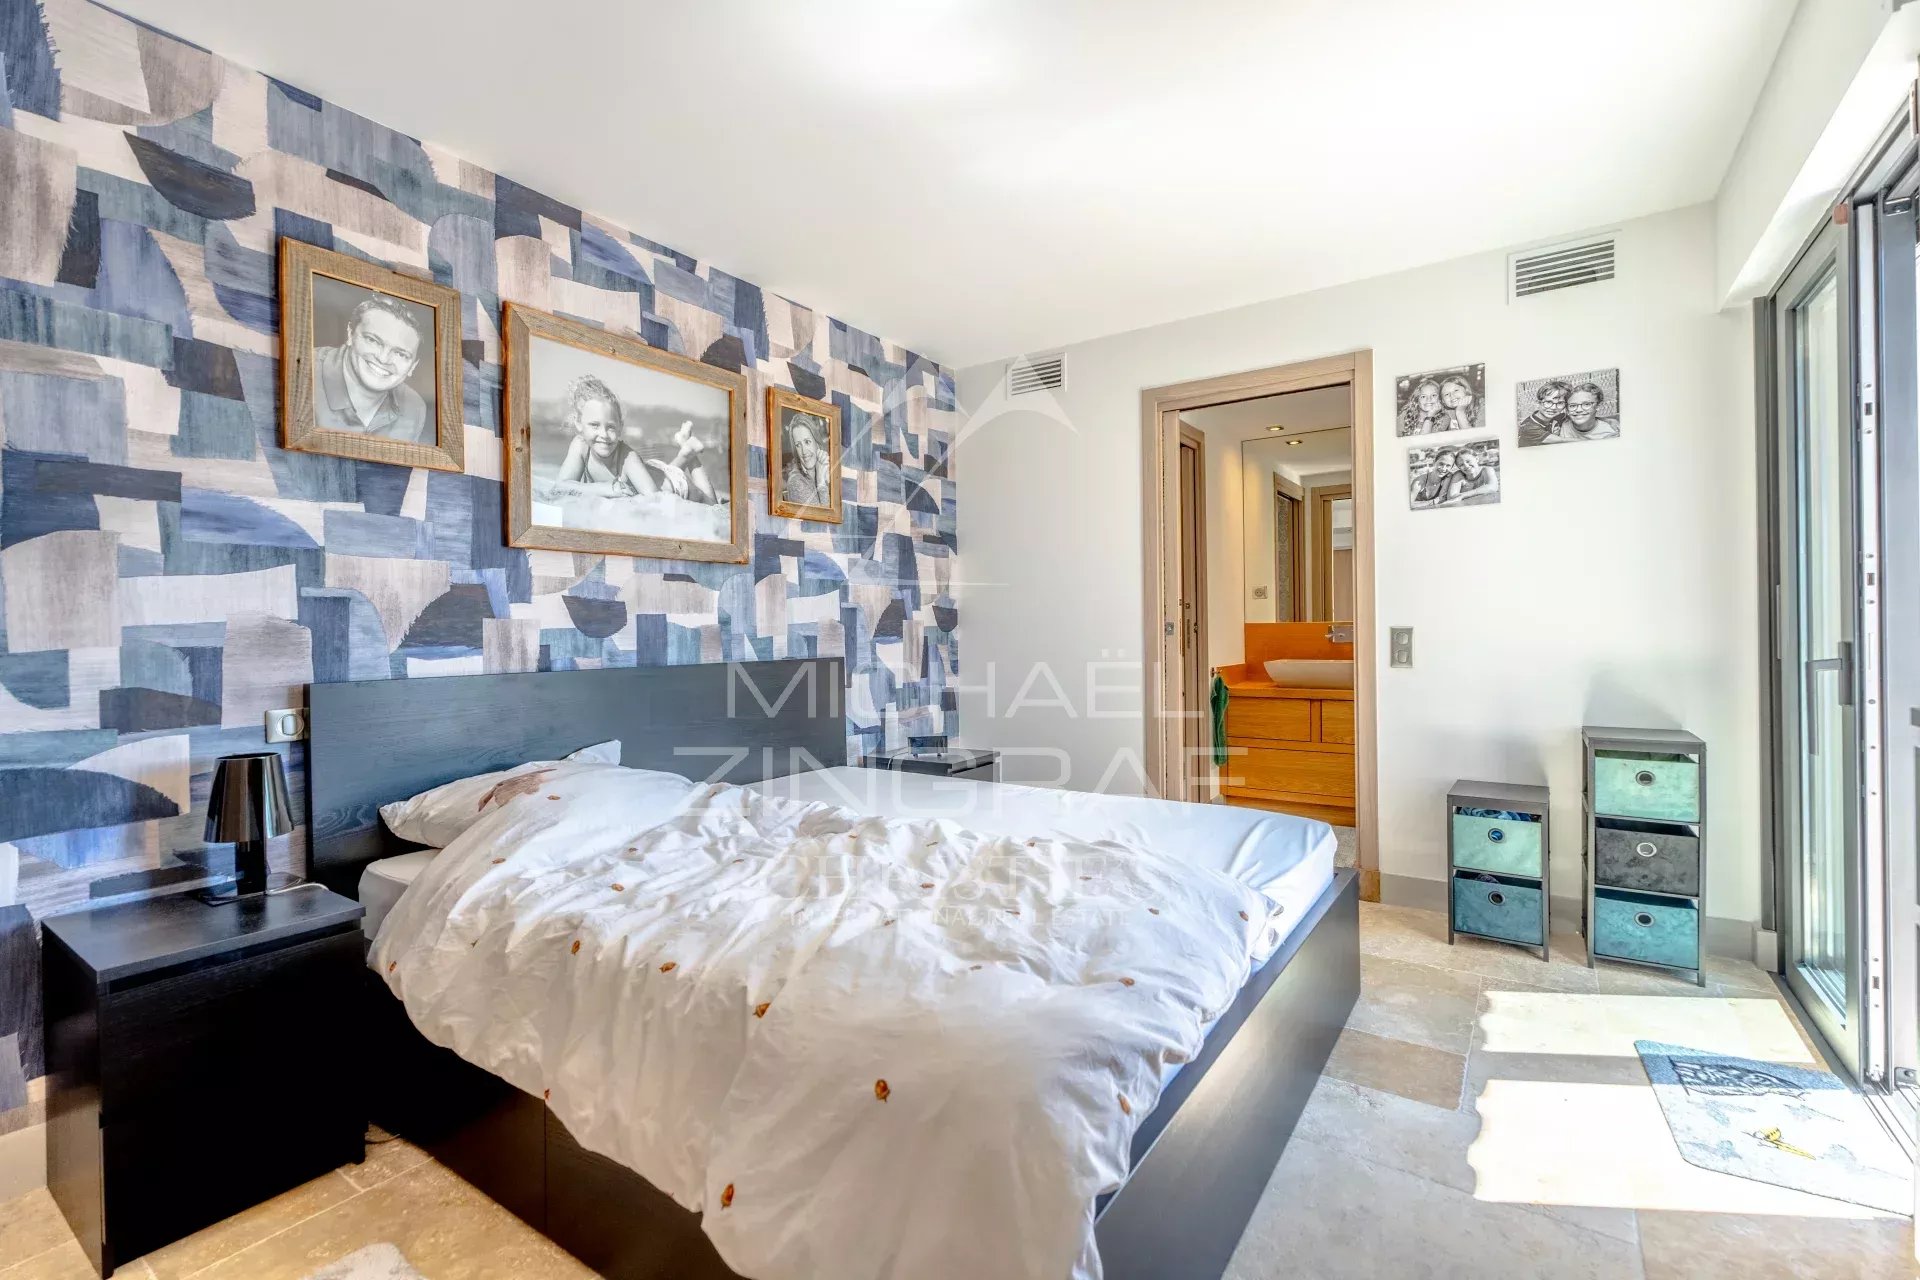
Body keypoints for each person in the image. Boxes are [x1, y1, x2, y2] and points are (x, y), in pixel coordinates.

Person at [313, 293, 431, 442]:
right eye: (373, 340)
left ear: (413, 366)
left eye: (400, 354)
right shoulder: (304, 372)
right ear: (350, 334)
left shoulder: (414, 408)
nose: (383, 359)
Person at [550, 375, 652, 498]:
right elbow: (559, 488)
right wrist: (602, 488)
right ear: (579, 424)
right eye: (594, 425)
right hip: (649, 471)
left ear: (620, 427)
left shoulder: (628, 459)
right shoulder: (580, 446)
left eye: (611, 427)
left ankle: (683, 455)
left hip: (674, 482)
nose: (604, 435)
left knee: (672, 477)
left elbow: (658, 500)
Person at [781, 412, 833, 508]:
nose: (804, 451)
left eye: (807, 442)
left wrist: (828, 479)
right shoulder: (796, 482)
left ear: (817, 443)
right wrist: (821, 483)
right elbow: (823, 519)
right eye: (798, 445)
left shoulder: (828, 469)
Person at [1544, 381, 1620, 443]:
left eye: (1586, 404)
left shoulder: (1609, 433)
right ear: (1567, 409)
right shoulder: (1558, 424)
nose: (1579, 410)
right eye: (1573, 405)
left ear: (1598, 406)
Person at [1517, 380, 1570, 447]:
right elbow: (1563, 441)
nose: (1553, 407)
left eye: (1560, 403)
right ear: (1538, 403)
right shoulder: (1529, 427)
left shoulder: (1558, 417)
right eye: (1548, 402)